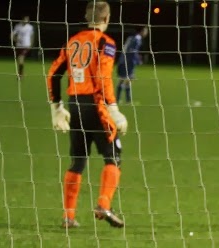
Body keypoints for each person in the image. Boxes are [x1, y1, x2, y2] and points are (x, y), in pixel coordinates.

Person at [47, 1, 128, 229]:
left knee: (78, 159)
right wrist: (113, 108)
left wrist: (56, 108)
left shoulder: (73, 41)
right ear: (106, 19)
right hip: (96, 104)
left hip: (75, 105)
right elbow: (103, 77)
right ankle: (104, 205)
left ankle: (68, 216)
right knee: (114, 155)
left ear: (87, 18)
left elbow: (53, 74)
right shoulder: (105, 42)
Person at [116, 27, 148, 104]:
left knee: (127, 79)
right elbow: (132, 51)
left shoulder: (131, 38)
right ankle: (120, 99)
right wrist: (138, 60)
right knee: (125, 79)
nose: (146, 33)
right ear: (141, 31)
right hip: (128, 62)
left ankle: (126, 100)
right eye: (145, 31)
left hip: (124, 60)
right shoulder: (137, 39)